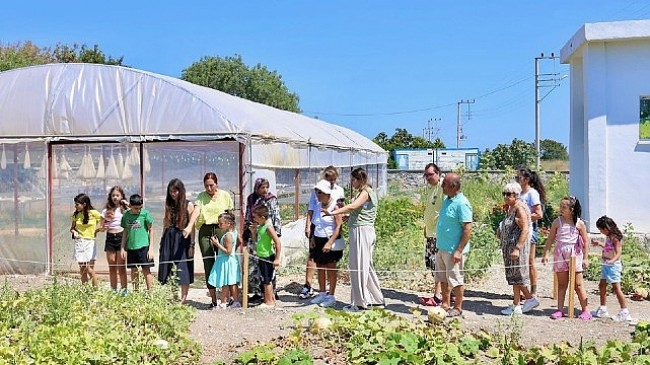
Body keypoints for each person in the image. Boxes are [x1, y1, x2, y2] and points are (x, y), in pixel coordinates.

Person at [324, 167, 384, 311]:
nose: (351, 182)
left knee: (358, 266)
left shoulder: (365, 192)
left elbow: (353, 207)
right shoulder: (363, 193)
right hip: (361, 230)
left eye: (353, 179)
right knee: (366, 266)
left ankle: (360, 303)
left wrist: (333, 212)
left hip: (361, 231)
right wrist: (345, 218)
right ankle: (376, 299)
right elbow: (357, 211)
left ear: (360, 179)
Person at [542, 196, 591, 320]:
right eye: (560, 206)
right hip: (560, 254)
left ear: (572, 209)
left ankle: (586, 311)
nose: (561, 209)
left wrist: (585, 258)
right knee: (562, 284)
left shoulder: (579, 223)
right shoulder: (557, 222)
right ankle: (559, 310)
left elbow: (586, 242)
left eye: (564, 207)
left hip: (575, 254)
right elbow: (550, 239)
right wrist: (546, 253)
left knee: (578, 285)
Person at [301, 166, 345, 299]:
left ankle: (330, 294)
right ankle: (309, 286)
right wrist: (308, 225)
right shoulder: (317, 191)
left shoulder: (339, 191)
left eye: (333, 179)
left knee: (330, 264)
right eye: (328, 178)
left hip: (331, 228)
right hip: (317, 226)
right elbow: (311, 209)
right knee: (314, 258)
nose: (330, 181)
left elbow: (341, 210)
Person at [194, 172, 234, 308]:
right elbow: (196, 210)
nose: (209, 188)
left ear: (216, 183)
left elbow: (230, 215)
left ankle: (225, 299)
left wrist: (232, 233)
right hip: (205, 231)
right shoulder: (201, 197)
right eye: (206, 186)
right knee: (208, 264)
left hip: (221, 229)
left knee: (224, 262)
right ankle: (213, 300)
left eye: (211, 185)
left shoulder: (225, 195)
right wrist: (189, 226)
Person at [435, 173, 473, 317]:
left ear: (453, 186)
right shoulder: (447, 200)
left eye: (444, 184)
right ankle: (445, 303)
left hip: (453, 250)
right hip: (442, 247)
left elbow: (468, 228)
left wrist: (459, 250)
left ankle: (458, 307)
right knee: (442, 278)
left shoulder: (462, 203)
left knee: (456, 279)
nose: (442, 186)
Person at [158, 178, 199, 304]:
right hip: (169, 238)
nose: (173, 194)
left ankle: (183, 298)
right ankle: (173, 295)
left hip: (182, 239)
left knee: (183, 267)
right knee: (169, 266)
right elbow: (166, 223)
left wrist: (192, 244)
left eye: (175, 191)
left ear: (181, 191)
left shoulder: (188, 205)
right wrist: (162, 240)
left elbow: (192, 228)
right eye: (171, 191)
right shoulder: (169, 205)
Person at [497, 182, 534, 315]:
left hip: (516, 248)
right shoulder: (511, 208)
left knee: (518, 276)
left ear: (516, 195)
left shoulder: (520, 209)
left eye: (508, 194)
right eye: (504, 194)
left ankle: (529, 299)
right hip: (509, 247)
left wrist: (517, 248)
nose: (505, 197)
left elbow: (525, 229)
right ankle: (516, 305)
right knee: (513, 276)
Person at [244, 178, 282, 302]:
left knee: (268, 269)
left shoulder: (271, 199)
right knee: (254, 266)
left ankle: (271, 294)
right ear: (257, 188)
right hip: (255, 234)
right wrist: (248, 229)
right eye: (262, 188)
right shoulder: (251, 199)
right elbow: (248, 214)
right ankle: (257, 292)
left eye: (266, 187)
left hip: (267, 235)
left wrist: (276, 234)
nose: (265, 190)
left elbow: (276, 216)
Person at [309, 179, 344, 308]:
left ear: (327, 193)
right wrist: (312, 238)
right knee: (320, 267)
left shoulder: (334, 206)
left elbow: (339, 226)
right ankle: (322, 292)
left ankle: (331, 295)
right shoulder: (318, 206)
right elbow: (315, 223)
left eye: (320, 192)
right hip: (318, 239)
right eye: (316, 192)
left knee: (331, 268)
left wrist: (329, 242)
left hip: (330, 240)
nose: (317, 195)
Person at [591, 216, 633, 322]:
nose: (601, 232)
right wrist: (600, 244)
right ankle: (603, 309)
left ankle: (624, 312)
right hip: (606, 265)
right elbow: (609, 248)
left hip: (613, 266)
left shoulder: (615, 237)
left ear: (606, 228)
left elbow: (618, 252)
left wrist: (612, 261)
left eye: (601, 230)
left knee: (616, 288)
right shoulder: (609, 236)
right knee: (602, 285)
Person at [516, 167, 546, 310]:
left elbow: (539, 214)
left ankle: (533, 292)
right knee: (521, 262)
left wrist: (524, 217)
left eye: (519, 177)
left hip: (530, 231)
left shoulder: (532, 194)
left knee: (530, 262)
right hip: (519, 231)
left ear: (526, 179)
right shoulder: (519, 194)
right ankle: (525, 290)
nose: (517, 180)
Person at [418, 163, 445, 307]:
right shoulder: (431, 189)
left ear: (438, 173)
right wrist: (426, 227)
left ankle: (438, 297)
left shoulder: (442, 187)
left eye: (430, 174)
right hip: (430, 233)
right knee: (432, 264)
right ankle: (447, 293)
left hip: (438, 234)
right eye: (426, 175)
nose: (428, 177)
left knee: (437, 265)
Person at [97, 186, 129, 294]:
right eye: (113, 195)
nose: (115, 197)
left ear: (122, 197)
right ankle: (113, 289)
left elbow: (133, 215)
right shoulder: (106, 211)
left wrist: (126, 204)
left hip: (121, 237)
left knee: (121, 266)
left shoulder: (124, 210)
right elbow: (101, 226)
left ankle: (124, 289)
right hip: (110, 238)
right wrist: (102, 228)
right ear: (110, 197)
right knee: (112, 266)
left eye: (117, 195)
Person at [120, 194, 155, 291]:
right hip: (131, 247)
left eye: (140, 208)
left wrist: (151, 249)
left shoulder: (145, 214)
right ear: (130, 206)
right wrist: (123, 248)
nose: (138, 210)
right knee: (134, 270)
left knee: (146, 270)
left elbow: (151, 229)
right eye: (136, 208)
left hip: (144, 246)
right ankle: (136, 292)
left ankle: (150, 293)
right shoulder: (126, 215)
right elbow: (125, 231)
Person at [207, 211, 242, 309]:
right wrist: (234, 249)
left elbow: (228, 251)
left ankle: (224, 302)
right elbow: (240, 241)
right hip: (231, 261)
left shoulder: (228, 236)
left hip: (226, 261)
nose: (219, 225)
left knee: (226, 283)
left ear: (229, 223)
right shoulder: (234, 233)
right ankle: (232, 301)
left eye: (221, 223)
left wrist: (217, 244)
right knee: (230, 282)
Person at [250, 204, 282, 308]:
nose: (254, 219)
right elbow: (256, 241)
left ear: (263, 217)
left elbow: (277, 242)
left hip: (267, 256)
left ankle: (269, 302)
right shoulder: (261, 227)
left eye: (256, 217)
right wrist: (253, 232)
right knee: (265, 279)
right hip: (261, 256)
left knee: (266, 280)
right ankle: (270, 298)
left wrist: (277, 258)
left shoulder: (268, 227)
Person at [70, 193, 102, 287]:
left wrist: (97, 230)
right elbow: (72, 228)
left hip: (90, 242)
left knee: (89, 268)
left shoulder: (94, 213)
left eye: (77, 204)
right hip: (79, 242)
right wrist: (74, 232)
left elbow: (104, 221)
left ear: (84, 204)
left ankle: (95, 290)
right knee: (82, 268)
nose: (75, 206)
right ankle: (85, 290)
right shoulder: (76, 215)